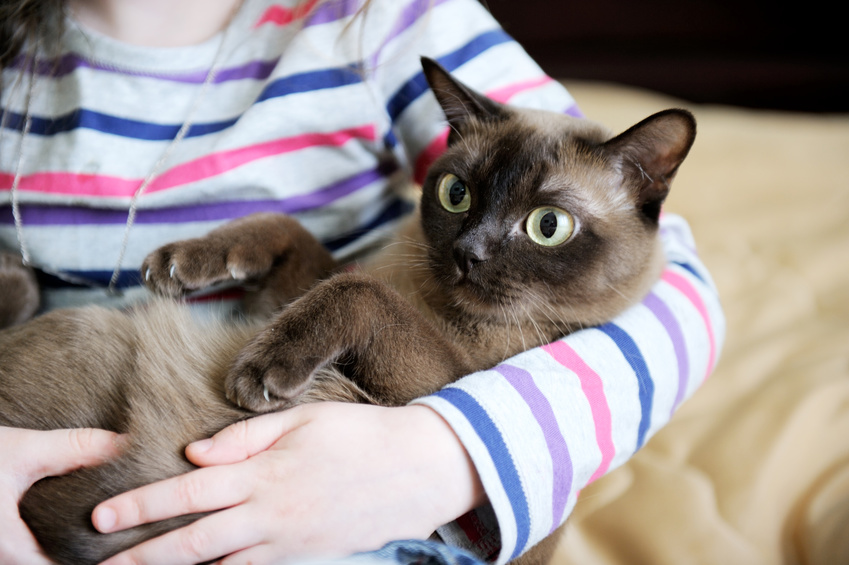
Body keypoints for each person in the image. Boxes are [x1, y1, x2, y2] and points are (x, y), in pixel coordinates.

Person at [0, 0, 725, 564]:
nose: (473, 250)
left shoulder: (382, 21)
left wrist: (444, 454)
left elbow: (684, 302)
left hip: (349, 491)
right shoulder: (18, 64)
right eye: (459, 201)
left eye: (542, 228)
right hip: (87, 431)